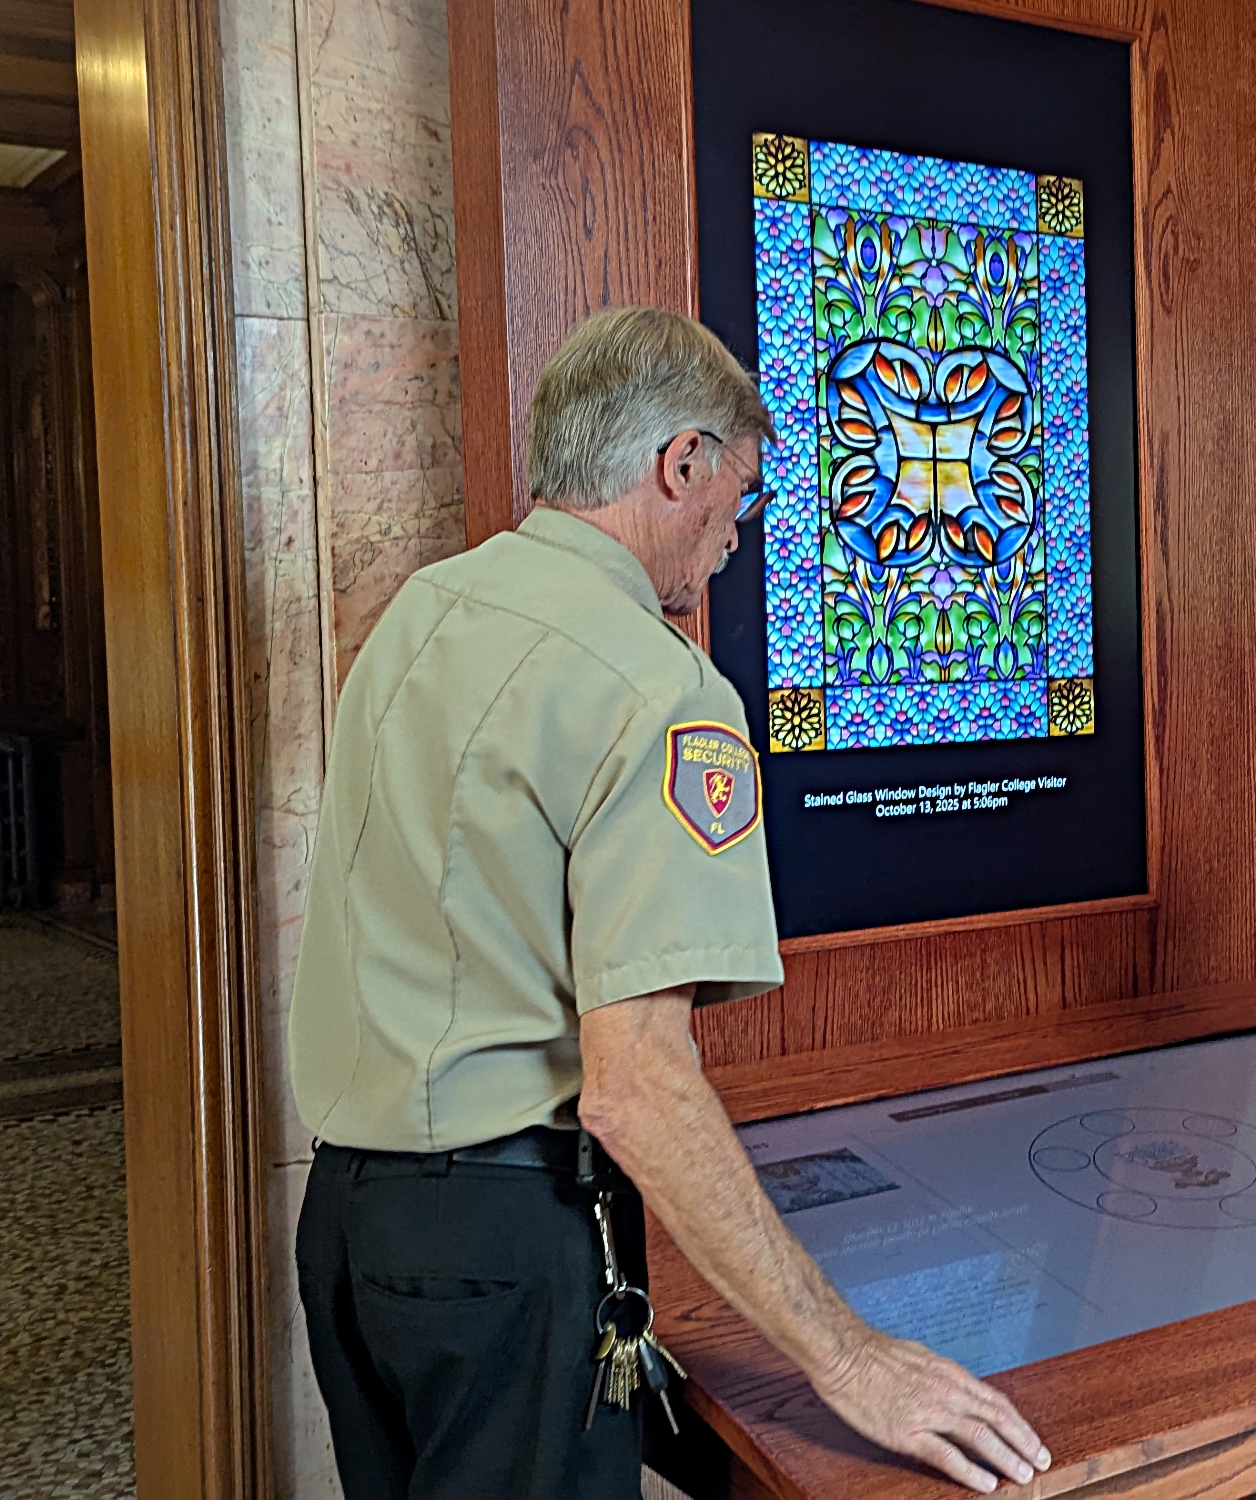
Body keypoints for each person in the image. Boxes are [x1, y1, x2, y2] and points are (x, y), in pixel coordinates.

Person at [288, 306, 1049, 1499]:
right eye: (738, 496)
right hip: (504, 1250)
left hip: (349, 1229)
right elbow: (637, 1085)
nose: (735, 536)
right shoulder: (659, 688)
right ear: (679, 463)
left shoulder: (418, 617)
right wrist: (851, 1362)